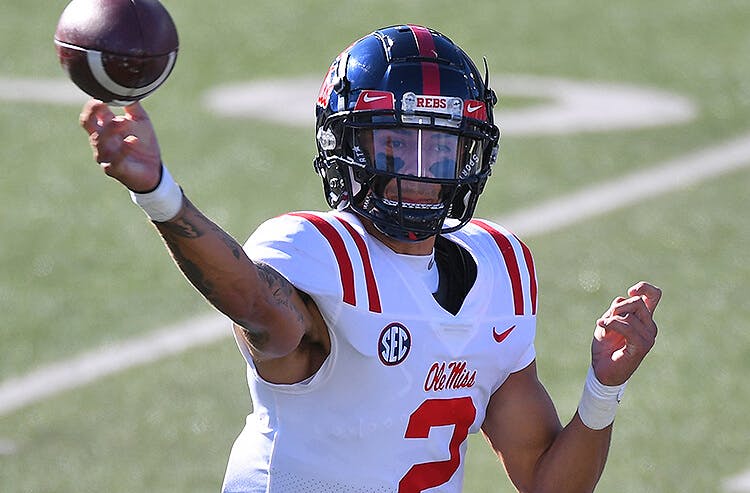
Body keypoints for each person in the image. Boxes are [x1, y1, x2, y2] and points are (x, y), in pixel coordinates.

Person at [79, 24, 661, 493]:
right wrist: (159, 195)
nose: (417, 169)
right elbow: (257, 304)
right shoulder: (321, 253)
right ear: (346, 146)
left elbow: (545, 482)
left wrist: (602, 388)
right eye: (394, 143)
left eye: (438, 147)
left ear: (469, 156)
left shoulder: (500, 270)